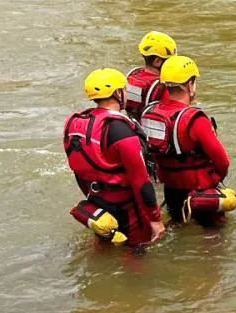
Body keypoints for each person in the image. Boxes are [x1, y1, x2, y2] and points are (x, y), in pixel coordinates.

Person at [63, 68, 165, 246]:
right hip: (127, 209)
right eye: (124, 90)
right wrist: (155, 219)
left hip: (96, 202)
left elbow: (77, 169)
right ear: (117, 93)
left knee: (106, 246)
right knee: (138, 252)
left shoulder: (76, 124)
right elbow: (141, 180)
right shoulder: (121, 130)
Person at [140, 56, 236, 227]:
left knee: (177, 227)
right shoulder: (195, 119)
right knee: (215, 237)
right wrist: (214, 179)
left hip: (171, 190)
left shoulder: (149, 112)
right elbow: (223, 161)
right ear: (190, 84)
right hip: (201, 191)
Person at [125, 31, 178, 120]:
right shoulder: (162, 86)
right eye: (170, 60)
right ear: (157, 62)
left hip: (131, 124)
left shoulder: (133, 74)